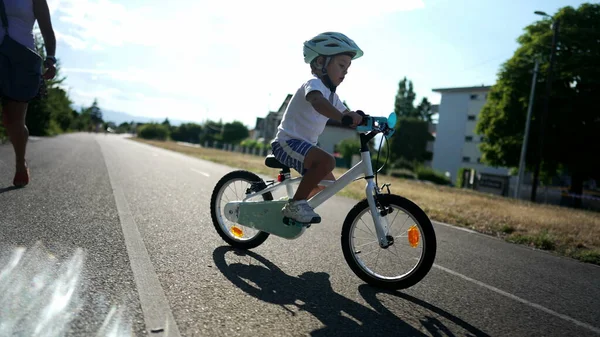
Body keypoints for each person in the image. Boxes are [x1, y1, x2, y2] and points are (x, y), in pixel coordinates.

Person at [270, 32, 364, 224]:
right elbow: (317, 102)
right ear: (321, 63)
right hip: (287, 143)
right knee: (327, 161)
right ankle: (295, 205)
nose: (345, 71)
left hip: (303, 146)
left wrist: (364, 120)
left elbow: (347, 113)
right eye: (341, 65)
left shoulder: (333, 97)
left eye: (348, 67)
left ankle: (293, 204)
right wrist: (343, 117)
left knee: (327, 184)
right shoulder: (313, 85)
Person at [0, 0, 57, 187]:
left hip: (21, 60)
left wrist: (50, 58)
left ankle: (20, 161)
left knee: (12, 120)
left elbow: (47, 30)